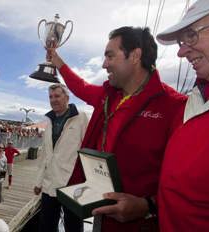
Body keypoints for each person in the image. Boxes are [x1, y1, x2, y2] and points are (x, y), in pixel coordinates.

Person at [48, 27, 186, 231]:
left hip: (143, 224)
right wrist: (56, 60)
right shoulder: (107, 96)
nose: (104, 64)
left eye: (110, 56)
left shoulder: (175, 107)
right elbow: (80, 86)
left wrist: (147, 206)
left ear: (135, 55)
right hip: (101, 212)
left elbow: (185, 182)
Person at [156, 1, 209, 231]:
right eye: (182, 41)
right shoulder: (193, 101)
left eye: (191, 35)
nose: (181, 51)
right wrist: (147, 206)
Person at [33, 83, 89, 232]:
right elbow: (45, 154)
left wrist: (87, 181)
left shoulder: (81, 117)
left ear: (67, 97)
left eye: (57, 96)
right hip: (49, 184)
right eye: (51, 97)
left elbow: (88, 149)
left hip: (72, 184)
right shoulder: (50, 121)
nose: (53, 100)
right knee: (46, 226)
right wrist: (38, 182)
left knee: (73, 227)